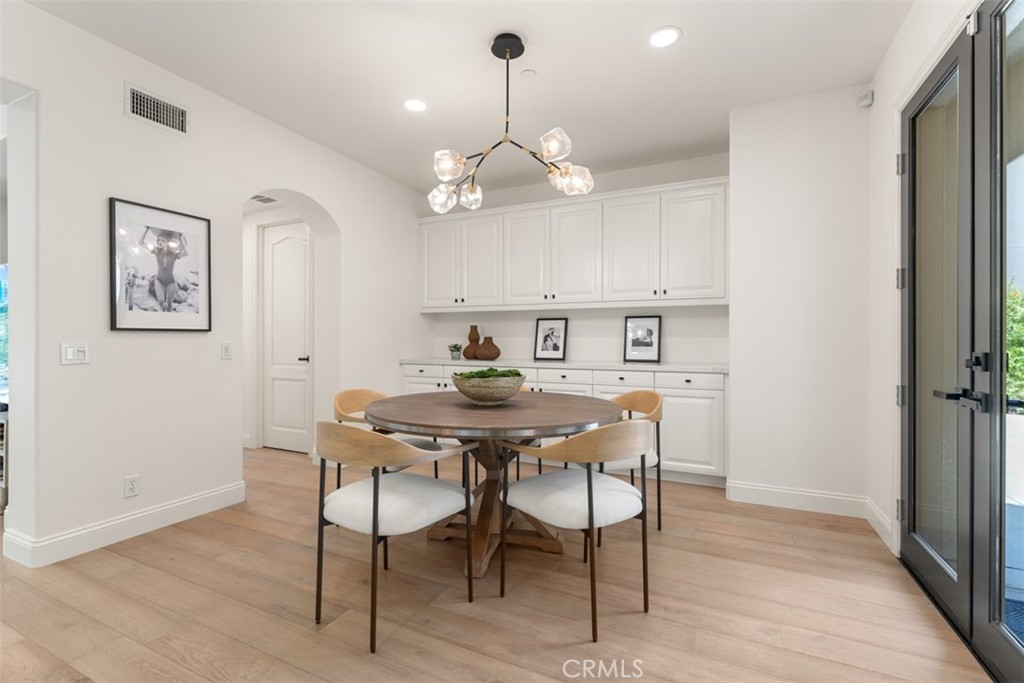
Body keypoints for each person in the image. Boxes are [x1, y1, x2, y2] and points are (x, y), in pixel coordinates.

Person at [141, 227, 188, 312]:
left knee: (170, 304)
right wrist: (146, 230)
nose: (159, 242)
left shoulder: (174, 253)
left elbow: (185, 253)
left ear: (168, 242)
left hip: (171, 281)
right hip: (159, 279)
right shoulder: (156, 250)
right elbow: (141, 243)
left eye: (162, 240)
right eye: (158, 240)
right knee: (161, 302)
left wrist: (180, 237)